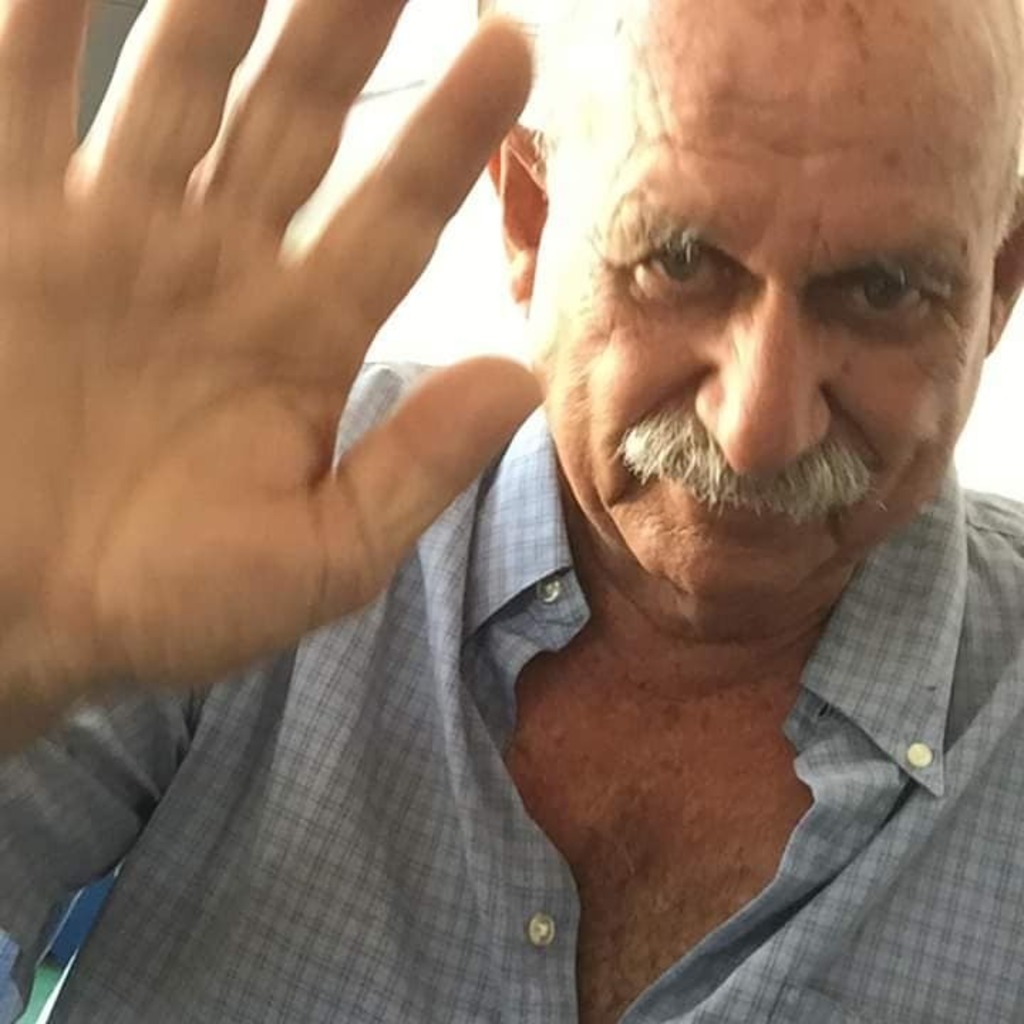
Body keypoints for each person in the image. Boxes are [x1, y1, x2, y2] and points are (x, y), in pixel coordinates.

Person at [3, 0, 1024, 1020]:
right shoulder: (220, 496)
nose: (759, 428)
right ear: (530, 216)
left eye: (885, 289)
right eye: (677, 260)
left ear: (997, 287)